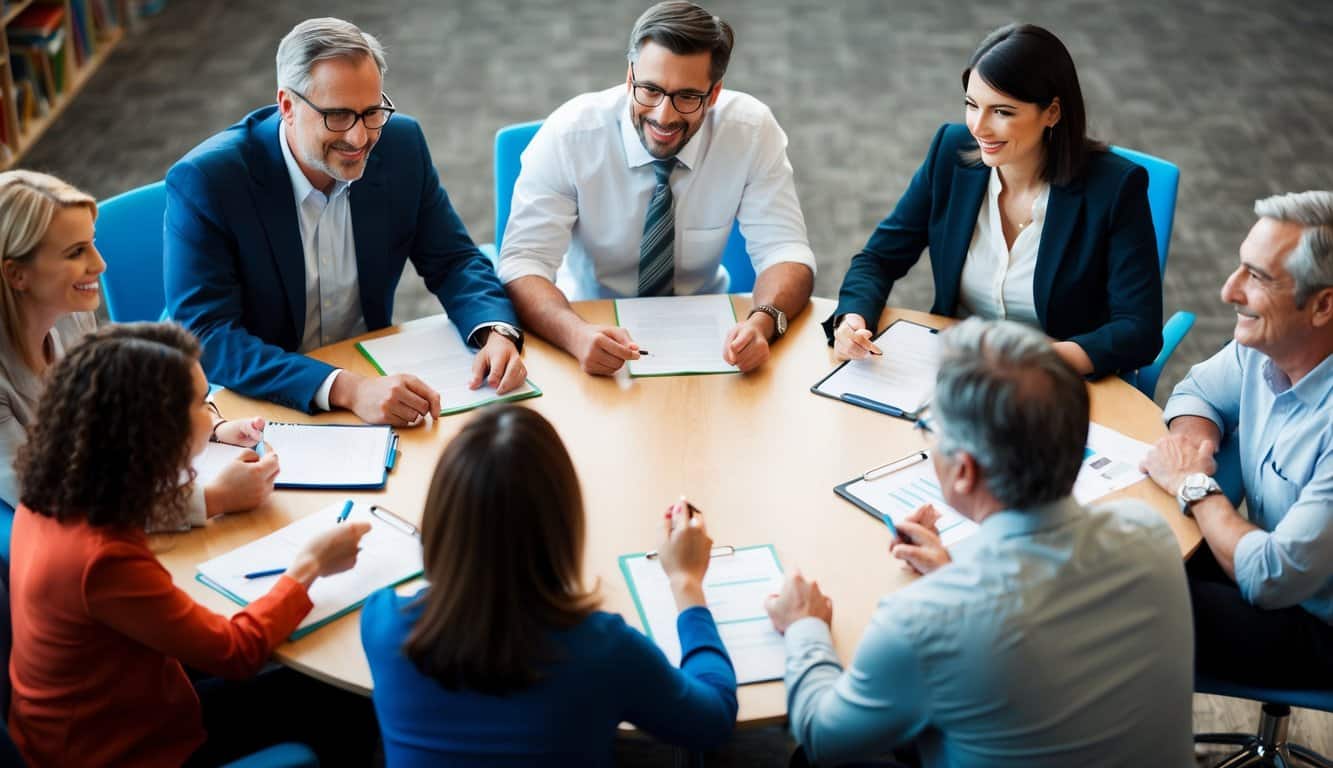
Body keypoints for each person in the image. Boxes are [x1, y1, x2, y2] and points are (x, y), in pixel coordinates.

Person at [768, 318, 1193, 766]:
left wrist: (803, 625)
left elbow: (822, 737)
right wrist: (954, 571)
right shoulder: (1148, 534)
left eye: (932, 433)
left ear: (965, 470)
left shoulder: (924, 621)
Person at [6, 322, 374, 768]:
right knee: (347, 700)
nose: (213, 413)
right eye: (202, 404)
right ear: (156, 432)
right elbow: (236, 652)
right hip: (132, 750)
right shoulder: (103, 559)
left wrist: (217, 496)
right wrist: (309, 565)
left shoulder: (57, 495)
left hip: (107, 718)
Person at [165, 17, 525, 424]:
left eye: (371, 112)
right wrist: (345, 388)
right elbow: (208, 334)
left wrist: (493, 330)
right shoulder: (210, 181)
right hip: (263, 400)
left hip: (371, 379)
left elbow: (454, 259)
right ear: (287, 106)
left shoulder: (400, 145)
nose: (358, 139)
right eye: (337, 116)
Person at [362, 404, 737, 766]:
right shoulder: (603, 651)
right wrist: (686, 582)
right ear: (563, 524)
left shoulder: (381, 624)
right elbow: (714, 719)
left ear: (440, 517)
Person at [826, 23, 1161, 378]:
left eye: (1002, 112)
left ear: (1053, 112)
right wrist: (853, 319)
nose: (979, 128)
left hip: (1053, 383)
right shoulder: (950, 153)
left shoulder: (1114, 187)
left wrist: (1039, 360)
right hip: (956, 372)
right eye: (972, 105)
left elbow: (1138, 329)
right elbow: (878, 259)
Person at [499, 1, 815, 375]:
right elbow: (524, 261)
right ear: (630, 76)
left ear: (713, 95)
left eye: (687, 97)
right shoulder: (570, 135)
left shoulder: (750, 131)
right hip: (588, 320)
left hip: (708, 333)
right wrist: (576, 334)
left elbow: (786, 250)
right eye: (650, 89)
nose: (663, 116)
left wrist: (763, 322)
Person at [0, 170, 276, 538]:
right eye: (75, 252)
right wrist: (212, 498)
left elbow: (111, 406)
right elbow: (50, 502)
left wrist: (209, 426)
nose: (100, 265)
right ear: (17, 274)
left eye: (92, 243)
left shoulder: (68, 311)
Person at [1142, 190, 1333, 688]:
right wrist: (1193, 446)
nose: (1229, 291)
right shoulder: (1267, 346)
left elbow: (1273, 576)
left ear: (1322, 306)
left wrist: (1193, 486)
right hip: (1264, 561)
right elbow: (1198, 391)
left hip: (1316, 621)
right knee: (1110, 553)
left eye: (1258, 277)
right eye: (1239, 267)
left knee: (1110, 602)